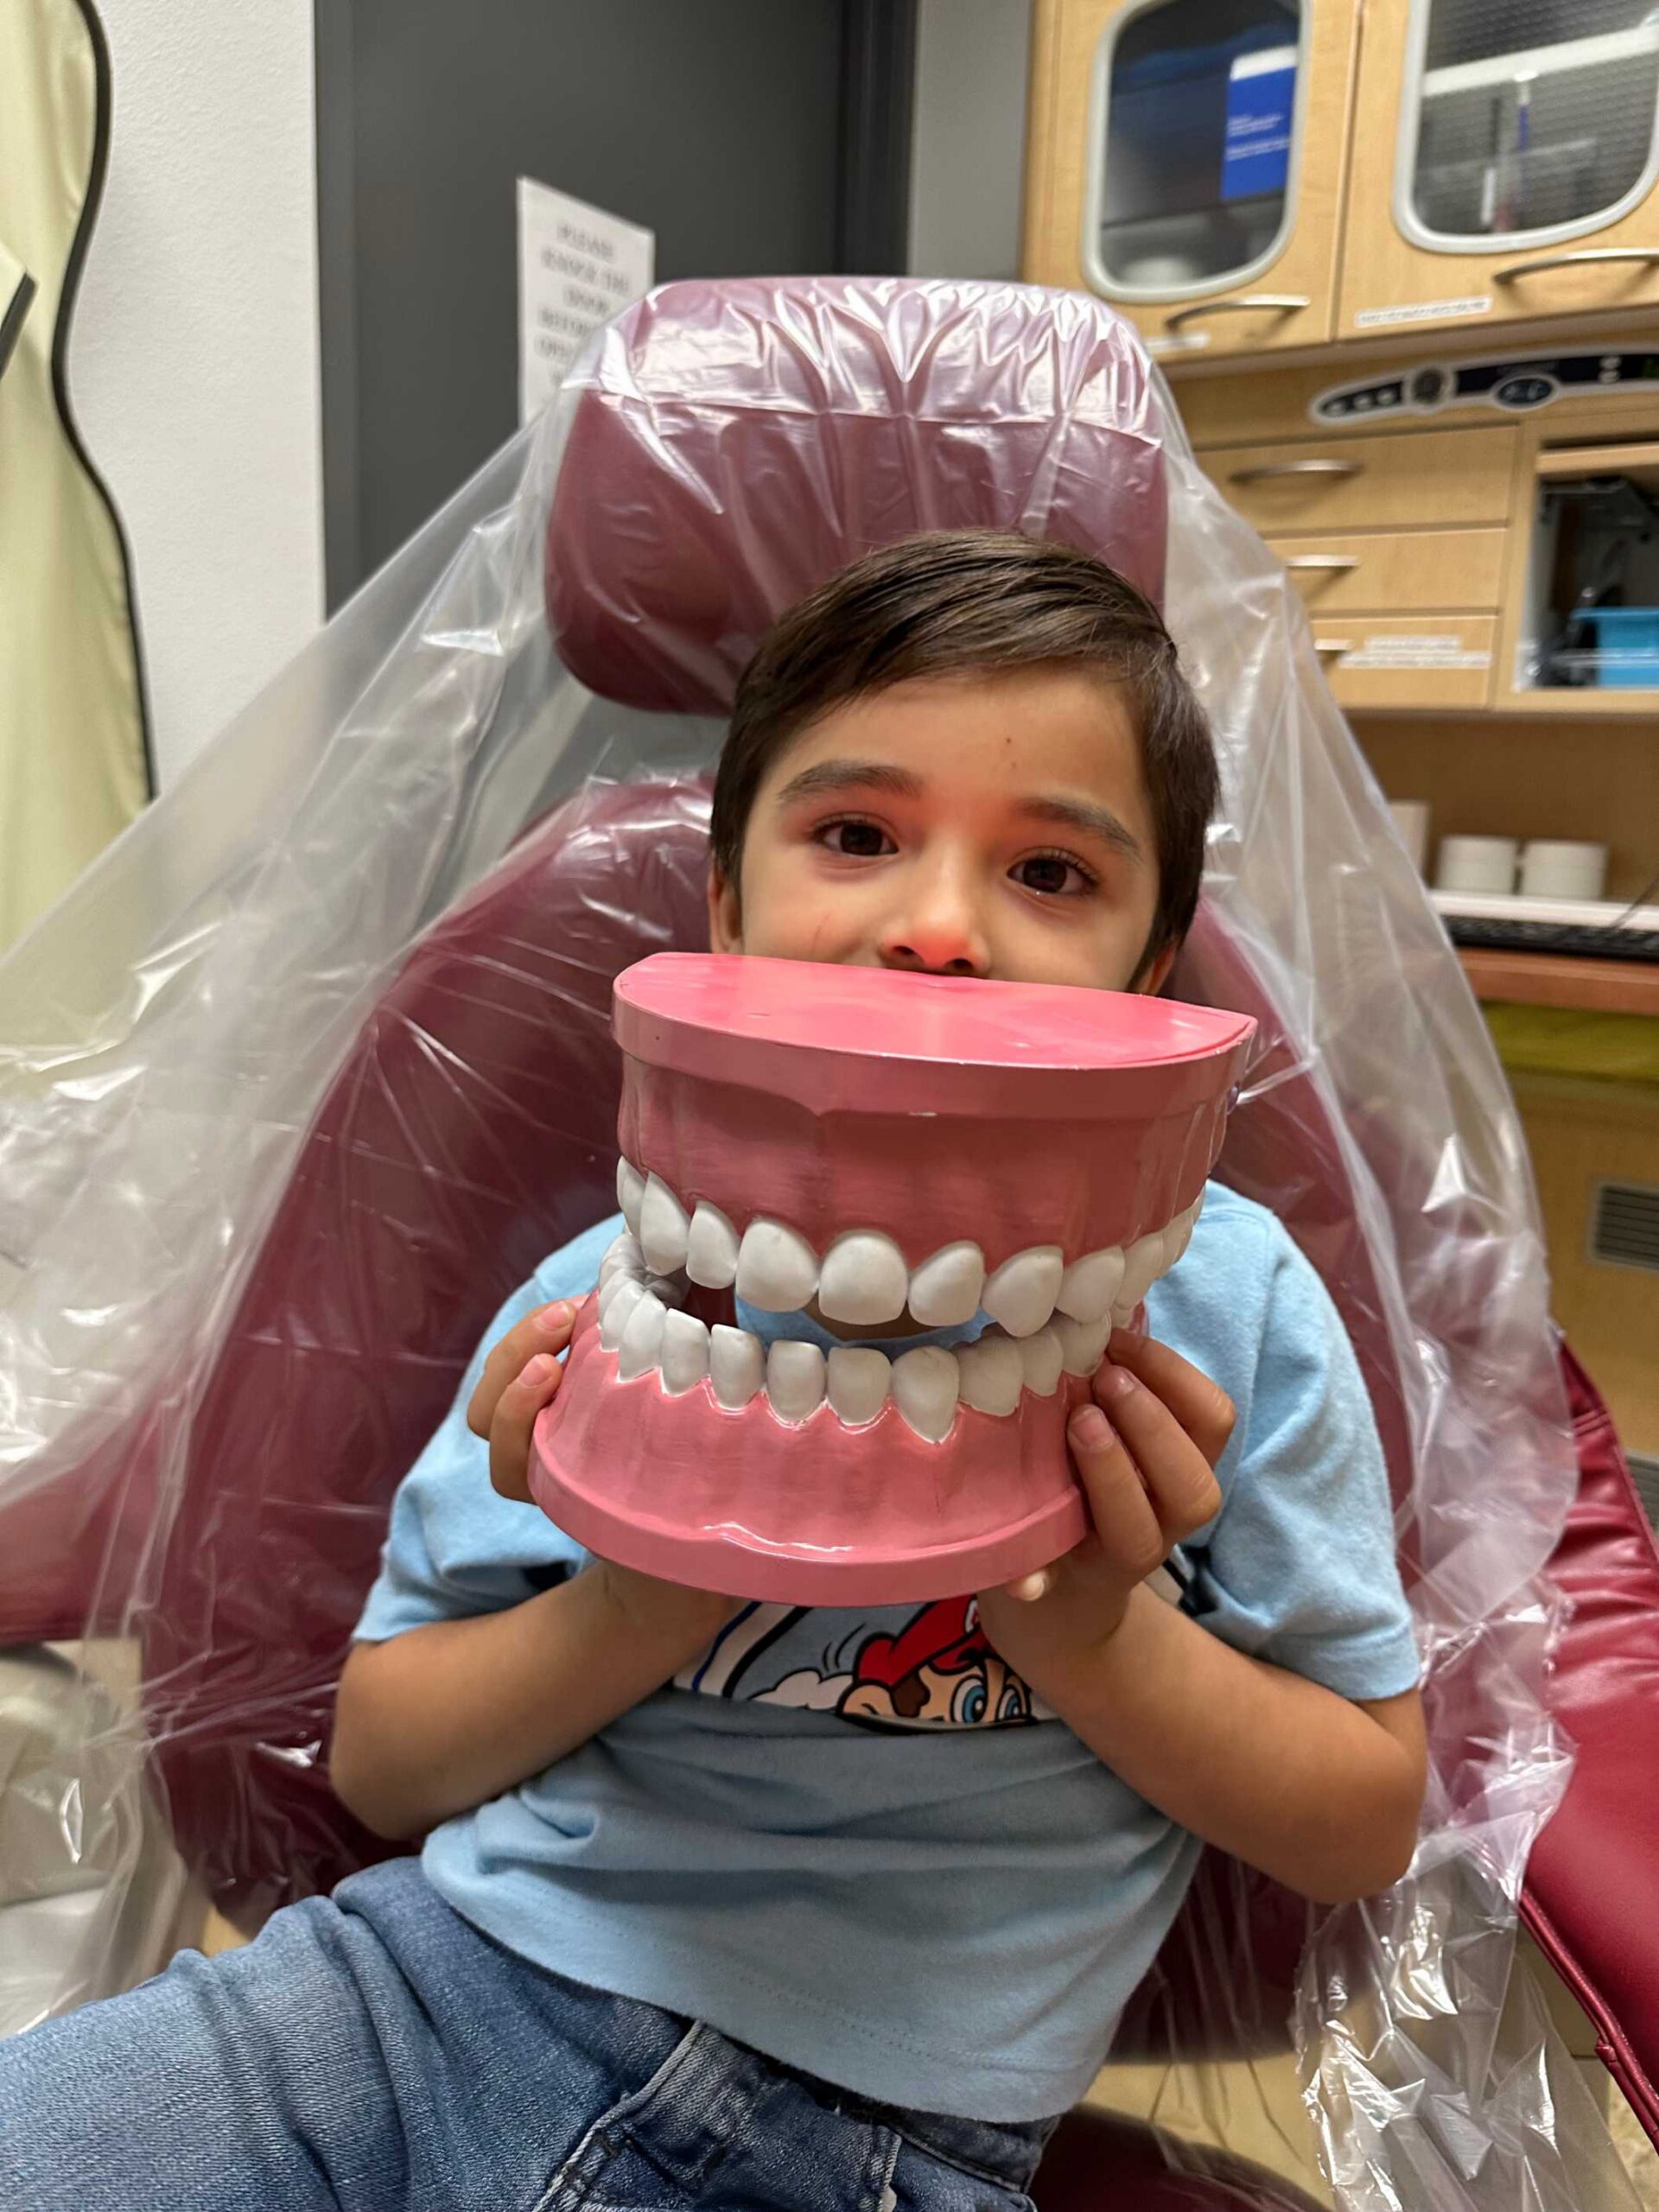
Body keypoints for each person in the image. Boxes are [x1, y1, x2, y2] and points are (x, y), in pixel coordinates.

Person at [0, 533, 1426, 2212]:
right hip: (411, 2002)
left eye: (1052, 873)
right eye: (856, 834)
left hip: (879, 2141)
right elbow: (385, 1763)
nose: (939, 927)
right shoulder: (612, 1295)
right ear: (729, 908)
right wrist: (645, 1582)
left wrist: (1087, 1621)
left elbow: (1359, 1822)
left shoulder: (1235, 1312)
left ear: (1153, 964)